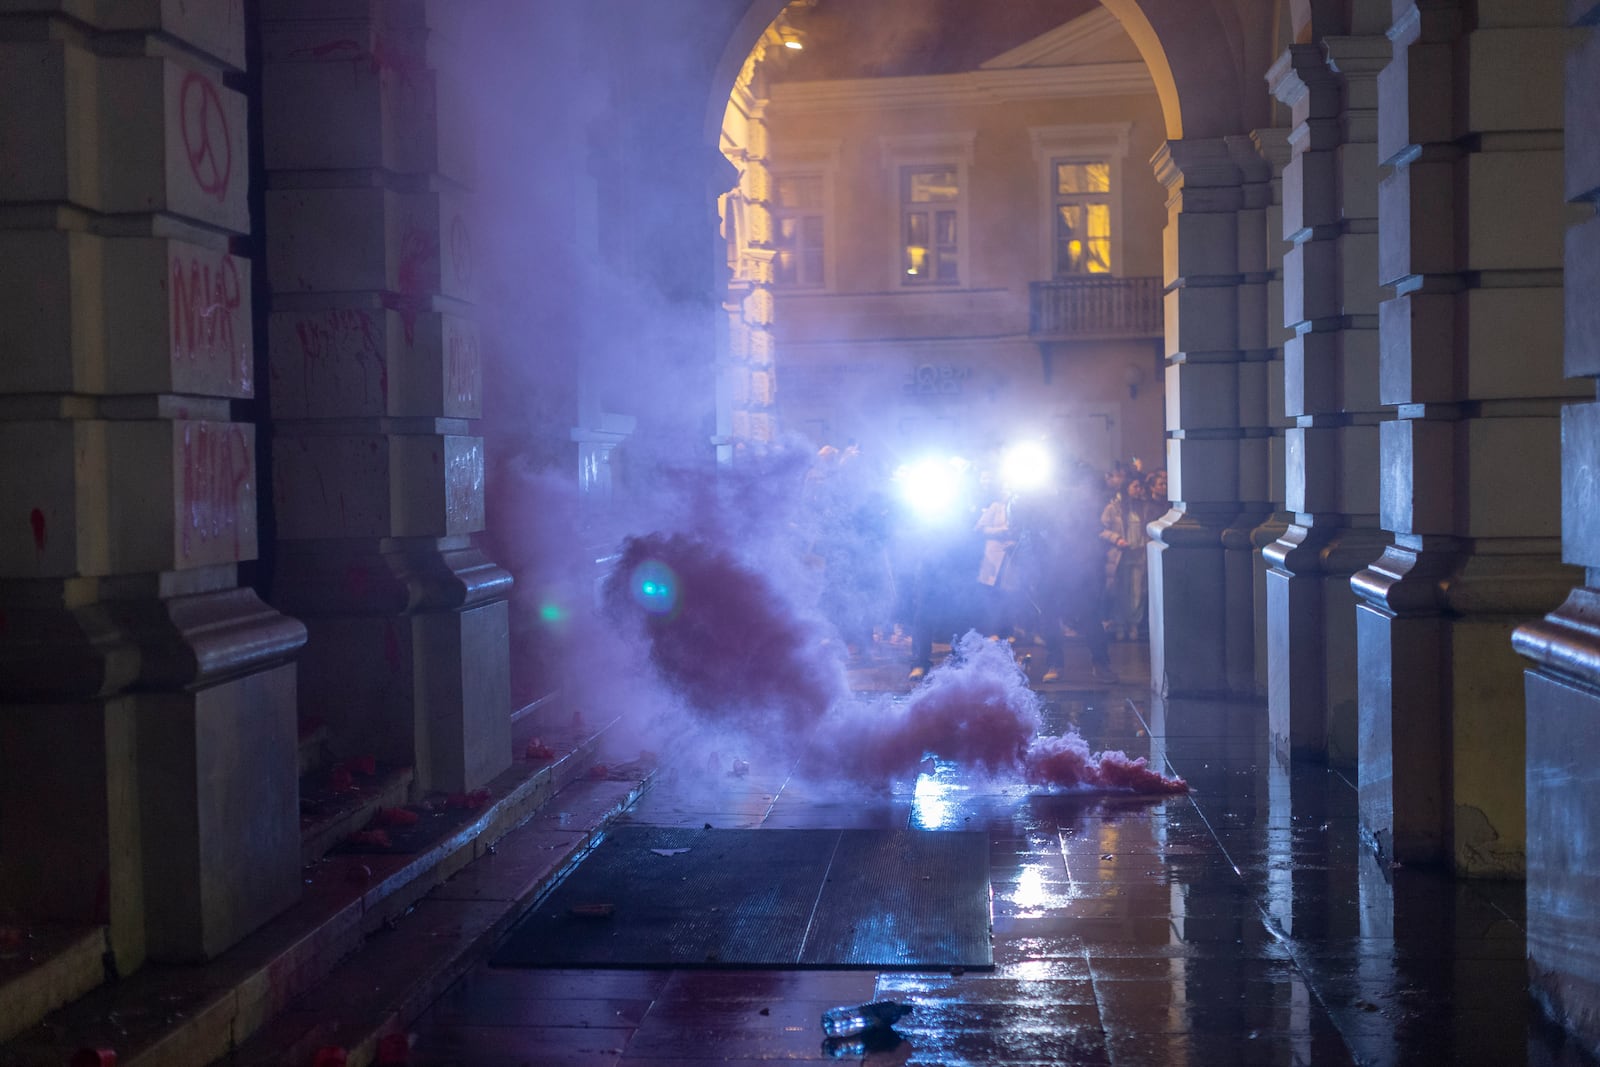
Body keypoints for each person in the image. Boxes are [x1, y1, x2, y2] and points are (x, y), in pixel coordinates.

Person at [1102, 475, 1150, 640]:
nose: (1138, 490)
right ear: (1127, 487)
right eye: (1135, 486)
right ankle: (1120, 624)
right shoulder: (1113, 508)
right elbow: (1102, 529)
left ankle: (1133, 624)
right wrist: (1117, 539)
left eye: (1140, 487)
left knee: (1137, 592)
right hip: (1121, 555)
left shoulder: (1143, 508)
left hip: (1139, 554)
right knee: (1120, 591)